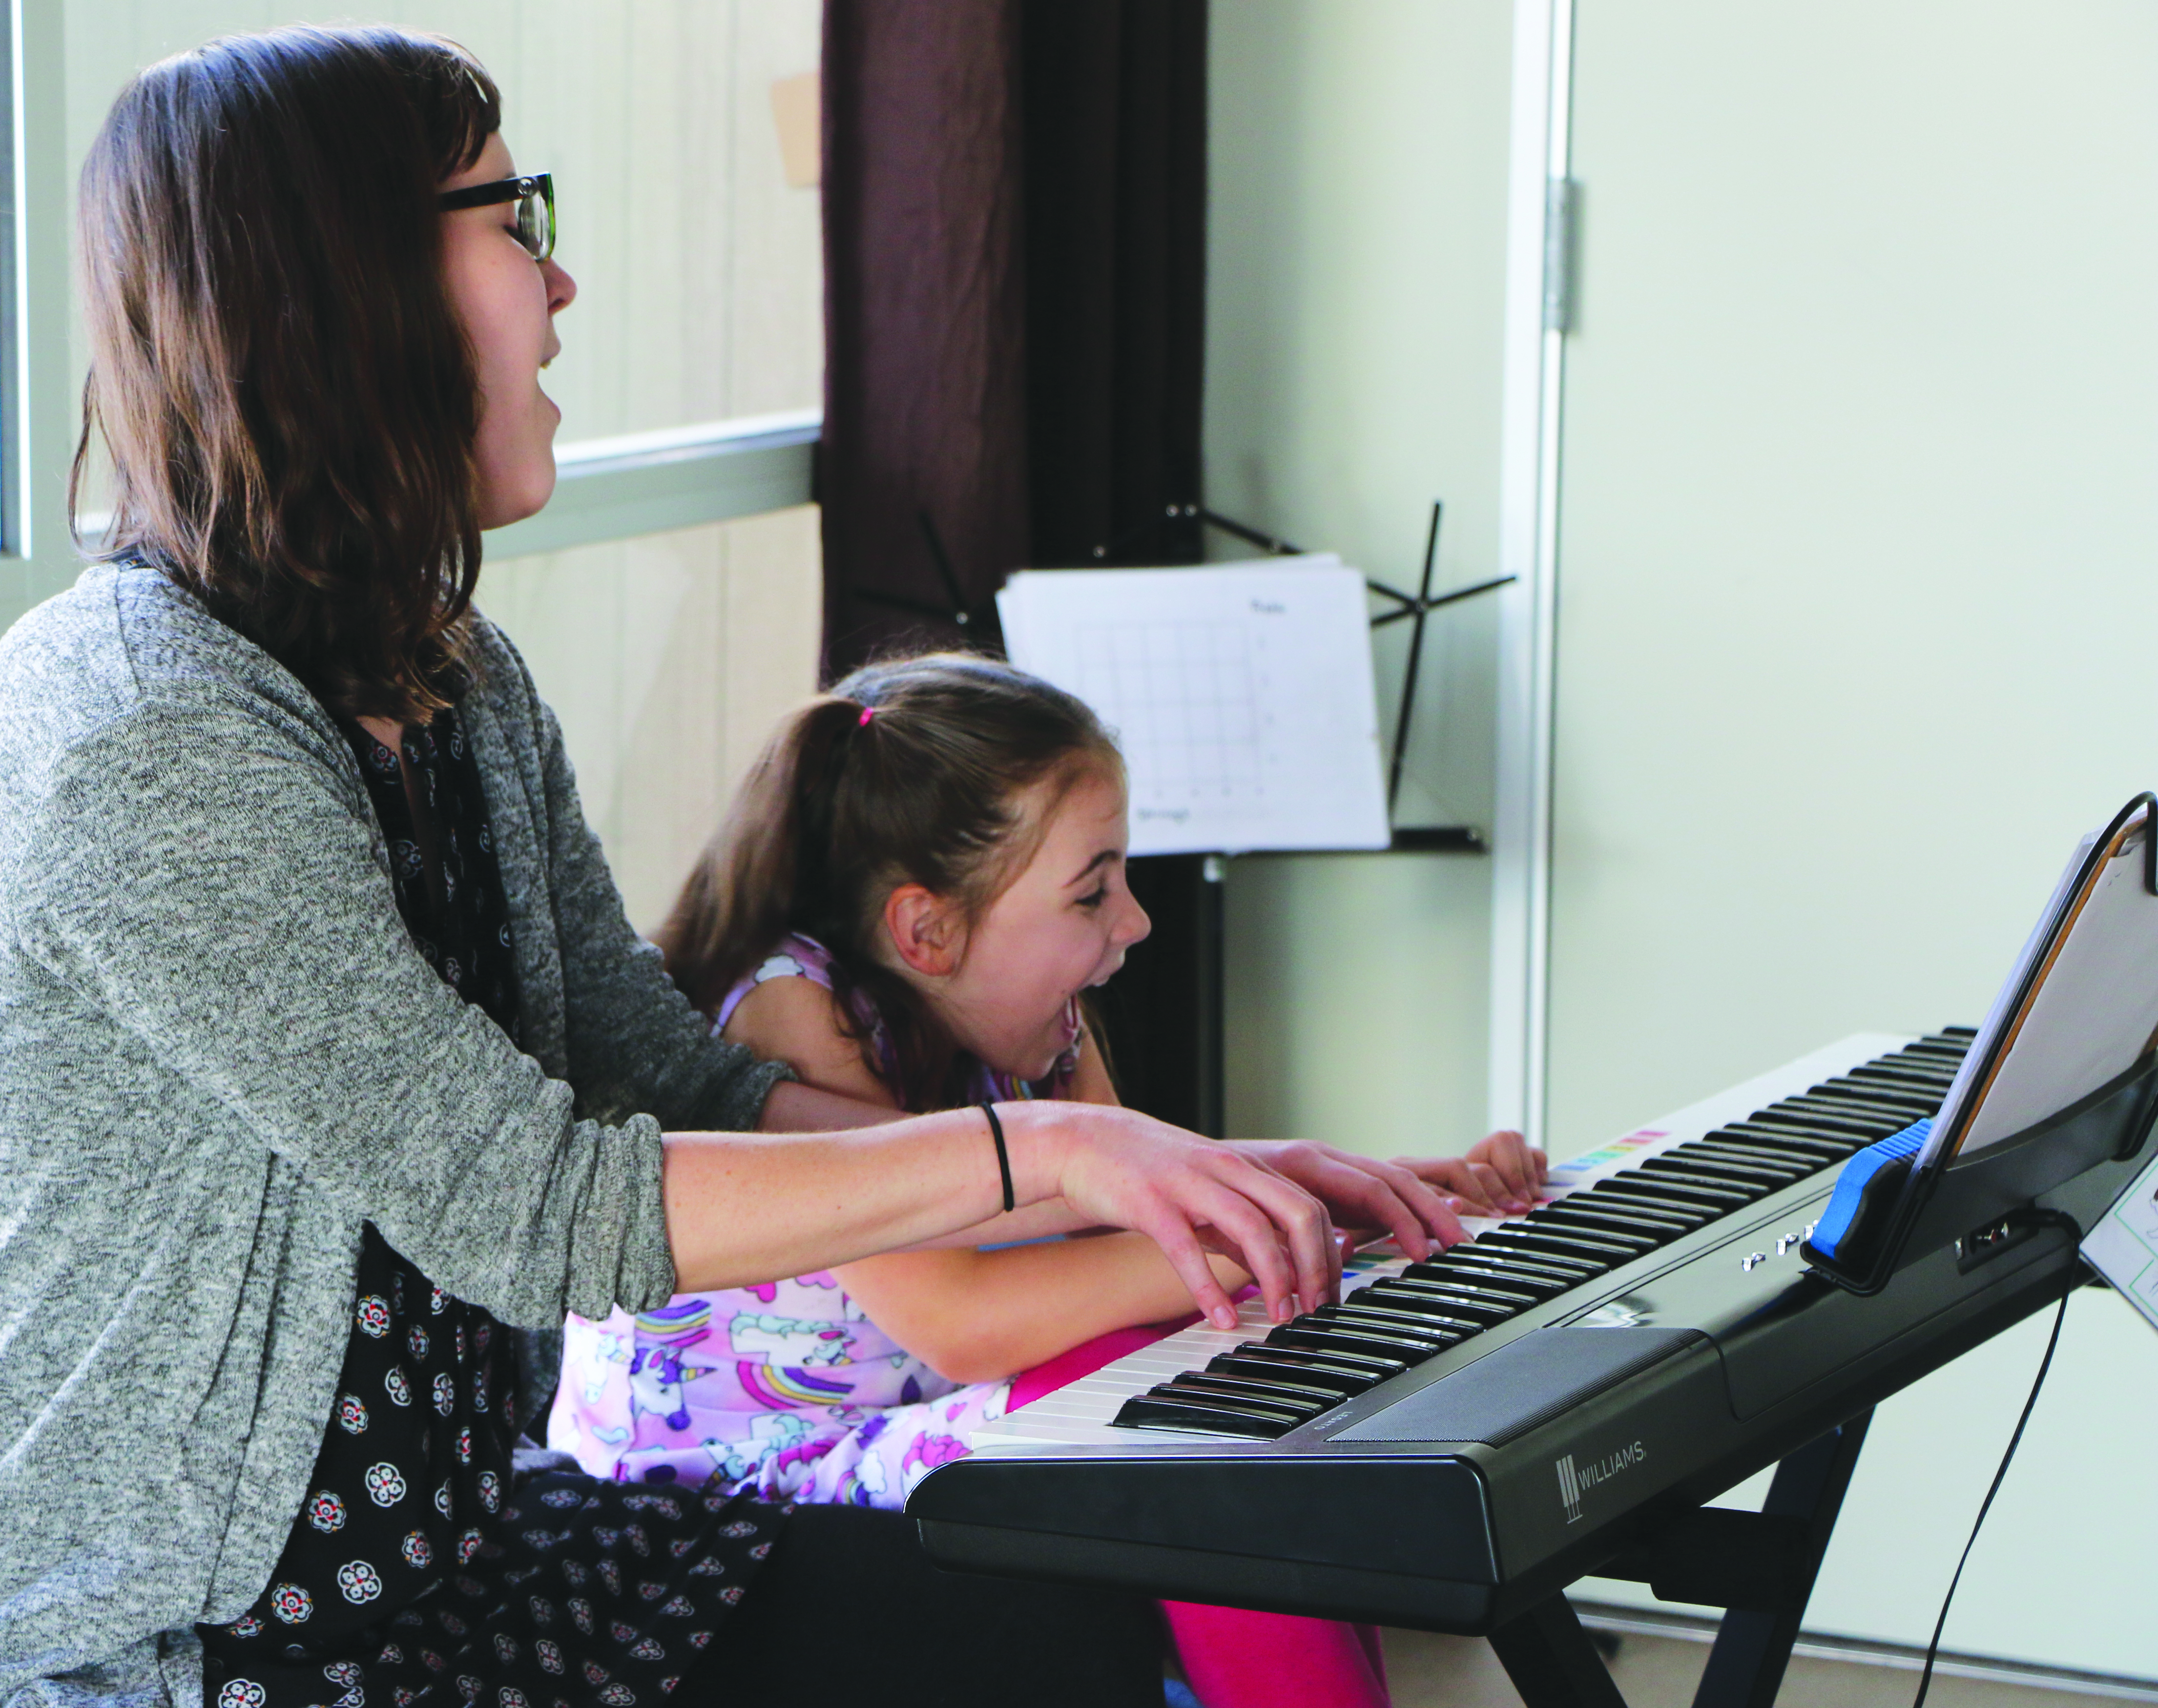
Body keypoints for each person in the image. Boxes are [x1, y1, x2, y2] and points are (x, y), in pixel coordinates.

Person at [0, 25, 1465, 1708]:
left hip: (441, 1588)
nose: (561, 278)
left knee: (1062, 1610)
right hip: (119, 1659)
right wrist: (1047, 1144)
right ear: (348, 286)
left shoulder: (456, 685)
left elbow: (677, 1083)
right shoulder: (141, 730)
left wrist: (1160, 1171)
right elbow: (536, 1211)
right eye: (512, 219)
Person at [546, 655, 1545, 1708]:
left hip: (897, 1418)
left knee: (1233, 1352)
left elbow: (1127, 1221)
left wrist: (1354, 1190)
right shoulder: (790, 1008)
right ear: (927, 931)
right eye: (1092, 892)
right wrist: (1278, 1237)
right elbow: (962, 1322)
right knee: (1169, 1402)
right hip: (731, 1470)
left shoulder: (1037, 1025)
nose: (1136, 922)